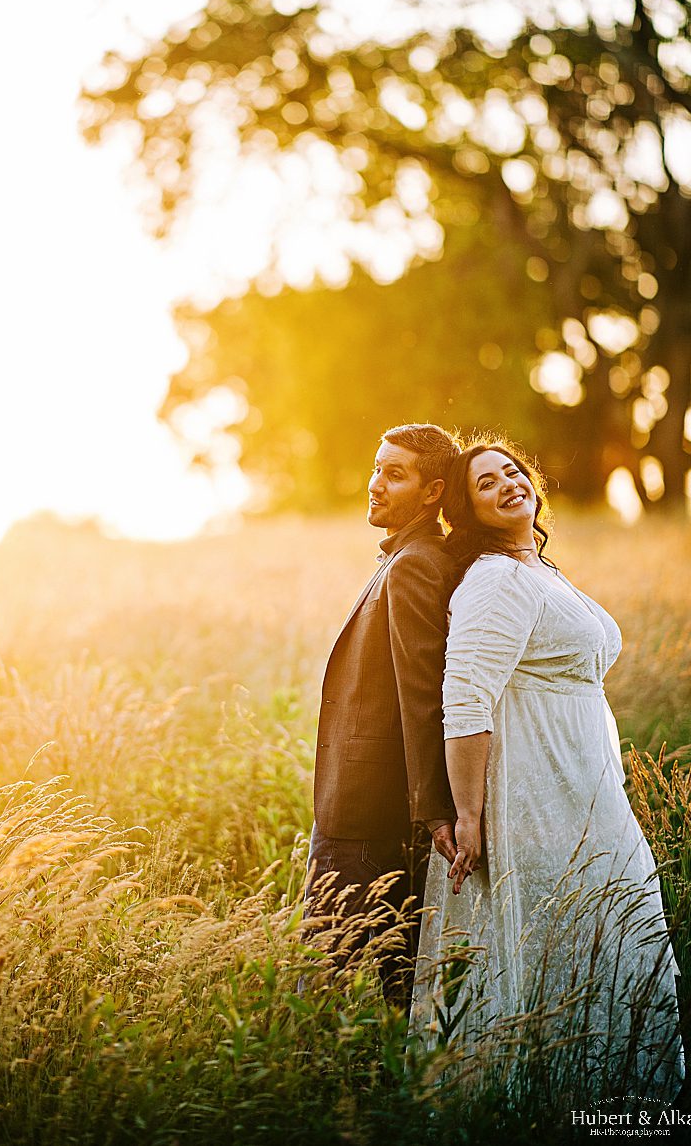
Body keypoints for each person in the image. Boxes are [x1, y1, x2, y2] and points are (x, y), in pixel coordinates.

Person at [410, 437, 684, 1100]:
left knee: (607, 928)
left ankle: (608, 1091)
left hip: (583, 785)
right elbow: (466, 698)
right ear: (469, 510)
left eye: (512, 470)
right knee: (551, 933)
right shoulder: (496, 579)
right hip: (535, 785)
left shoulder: (536, 569)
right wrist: (469, 812)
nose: (506, 483)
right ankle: (532, 1095)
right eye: (485, 482)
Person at [305, 422, 462, 1001]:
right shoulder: (400, 557)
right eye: (377, 468)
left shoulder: (416, 564)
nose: (375, 484)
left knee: (348, 981)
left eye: (394, 474)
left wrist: (432, 812)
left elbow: (424, 699)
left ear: (433, 492)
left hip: (371, 809)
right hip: (354, 798)